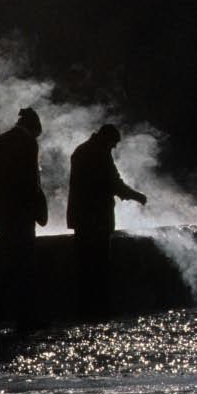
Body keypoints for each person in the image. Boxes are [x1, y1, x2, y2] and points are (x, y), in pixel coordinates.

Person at [0, 107, 49, 329]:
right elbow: (32, 181)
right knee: (24, 264)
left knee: (9, 260)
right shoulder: (27, 143)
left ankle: (0, 310)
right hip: (21, 213)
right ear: (34, 128)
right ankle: (25, 316)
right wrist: (39, 208)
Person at [67, 123, 147, 320]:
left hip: (81, 218)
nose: (113, 148)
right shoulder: (99, 153)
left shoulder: (82, 150)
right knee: (99, 265)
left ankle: (84, 308)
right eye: (113, 144)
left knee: (84, 265)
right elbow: (113, 183)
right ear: (107, 139)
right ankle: (99, 309)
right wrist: (137, 196)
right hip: (97, 219)